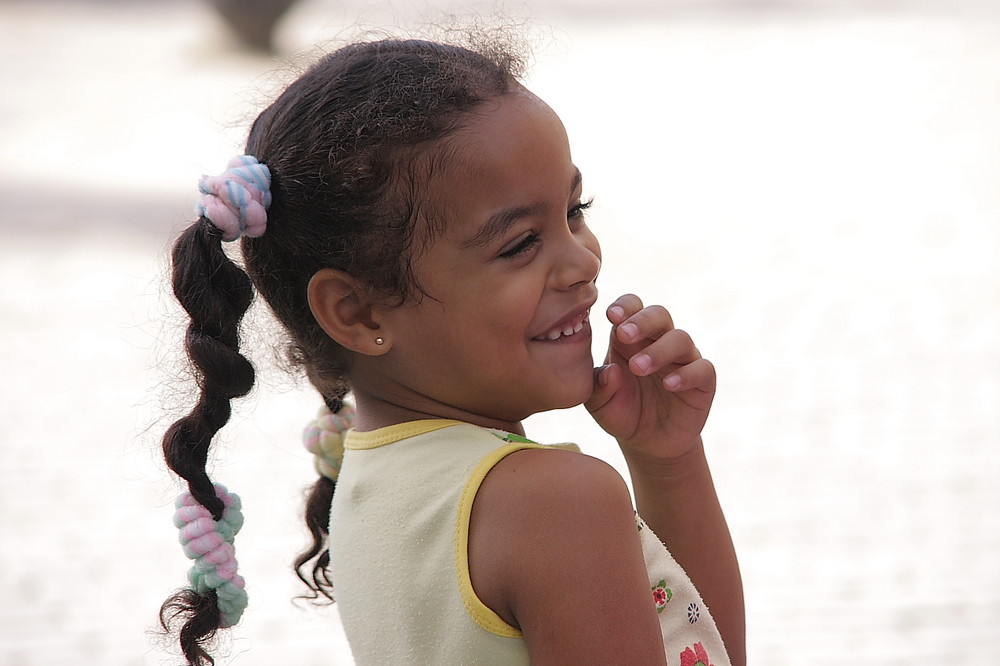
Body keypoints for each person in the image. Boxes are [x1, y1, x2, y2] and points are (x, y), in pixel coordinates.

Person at [159, 35, 746, 666]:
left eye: (574, 211)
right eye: (520, 244)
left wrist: (667, 459)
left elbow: (692, 641)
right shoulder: (557, 501)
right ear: (357, 312)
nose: (582, 261)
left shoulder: (368, 484)